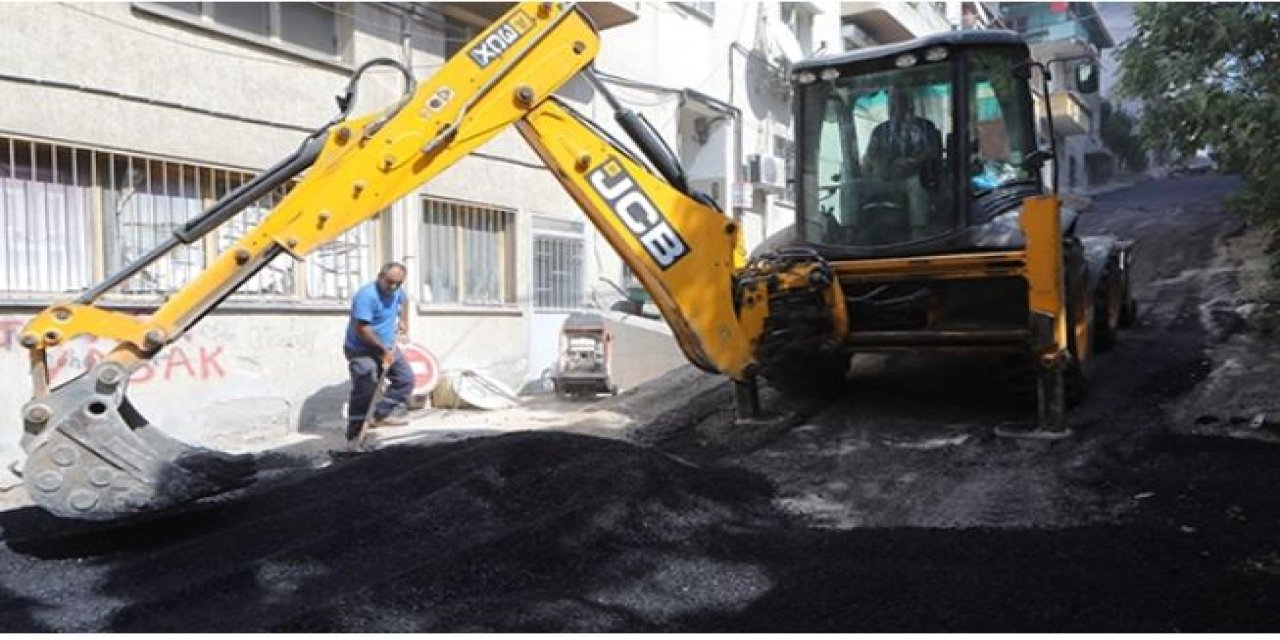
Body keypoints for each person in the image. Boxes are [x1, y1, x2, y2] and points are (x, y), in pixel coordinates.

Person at [344, 261, 414, 441]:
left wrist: (404, 320)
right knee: (366, 385)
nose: (393, 287)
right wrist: (383, 351)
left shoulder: (397, 290)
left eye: (397, 283)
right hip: (362, 348)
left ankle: (378, 416)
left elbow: (404, 299)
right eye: (389, 282)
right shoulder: (366, 296)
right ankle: (355, 434)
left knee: (405, 380)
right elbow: (363, 329)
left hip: (387, 345)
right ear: (380, 277)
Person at [862, 85, 943, 231]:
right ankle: (850, 231)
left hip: (913, 177)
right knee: (850, 187)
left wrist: (910, 162)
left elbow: (932, 152)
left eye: (899, 101)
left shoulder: (925, 127)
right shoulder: (880, 131)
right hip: (884, 178)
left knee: (918, 186)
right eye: (891, 102)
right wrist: (878, 164)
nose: (894, 106)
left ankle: (918, 230)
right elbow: (870, 156)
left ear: (909, 104)